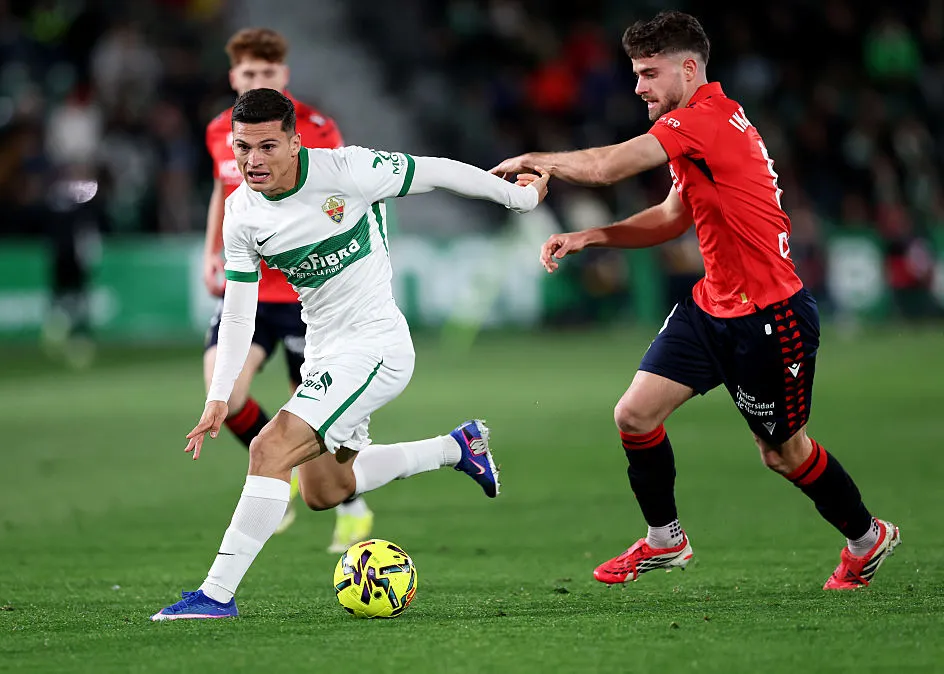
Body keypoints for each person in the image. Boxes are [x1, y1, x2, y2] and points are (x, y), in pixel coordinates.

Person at [492, 10, 898, 590]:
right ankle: (665, 539)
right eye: (635, 74)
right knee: (634, 414)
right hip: (713, 306)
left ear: (688, 68)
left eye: (649, 73)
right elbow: (671, 217)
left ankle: (866, 537)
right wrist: (591, 236)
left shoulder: (704, 121)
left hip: (770, 316)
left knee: (783, 454)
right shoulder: (697, 125)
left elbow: (608, 166)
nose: (638, 87)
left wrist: (539, 160)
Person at [150, 88, 549, 620]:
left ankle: (215, 595)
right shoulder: (242, 213)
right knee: (325, 489)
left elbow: (435, 171)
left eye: (268, 146)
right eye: (243, 148)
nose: (253, 160)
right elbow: (239, 313)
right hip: (324, 350)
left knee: (269, 448)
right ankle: (457, 448)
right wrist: (219, 396)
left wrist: (518, 200)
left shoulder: (347, 170)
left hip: (375, 345)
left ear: (295, 142)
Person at [202, 27, 366, 552]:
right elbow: (221, 191)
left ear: (284, 77)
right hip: (250, 292)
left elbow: (345, 195)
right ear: (234, 77)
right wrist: (212, 253)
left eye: (267, 74)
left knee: (322, 422)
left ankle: (351, 502)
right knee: (226, 394)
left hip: (304, 295)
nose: (257, 81)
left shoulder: (315, 129)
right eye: (249, 74)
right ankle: (277, 470)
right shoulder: (219, 131)